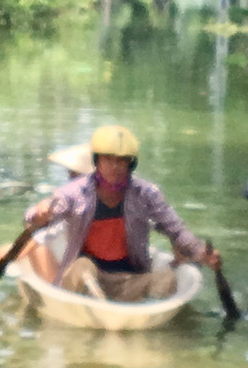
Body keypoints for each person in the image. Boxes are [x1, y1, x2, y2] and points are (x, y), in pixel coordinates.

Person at [26, 125, 220, 301]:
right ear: (97, 161)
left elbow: (176, 230)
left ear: (131, 164)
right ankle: (100, 302)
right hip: (86, 278)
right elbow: (40, 218)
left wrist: (202, 253)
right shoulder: (75, 193)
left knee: (167, 281)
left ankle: (123, 307)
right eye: (108, 159)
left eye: (122, 161)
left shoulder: (146, 194)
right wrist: (39, 215)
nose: (115, 166)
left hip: (129, 279)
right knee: (83, 267)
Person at [0, 143, 94, 283]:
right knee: (37, 230)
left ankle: (54, 287)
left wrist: (13, 254)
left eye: (75, 174)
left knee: (38, 244)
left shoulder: (86, 202)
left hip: (80, 262)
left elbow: (43, 236)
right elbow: (32, 218)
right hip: (76, 256)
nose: (70, 177)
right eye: (71, 173)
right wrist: (41, 208)